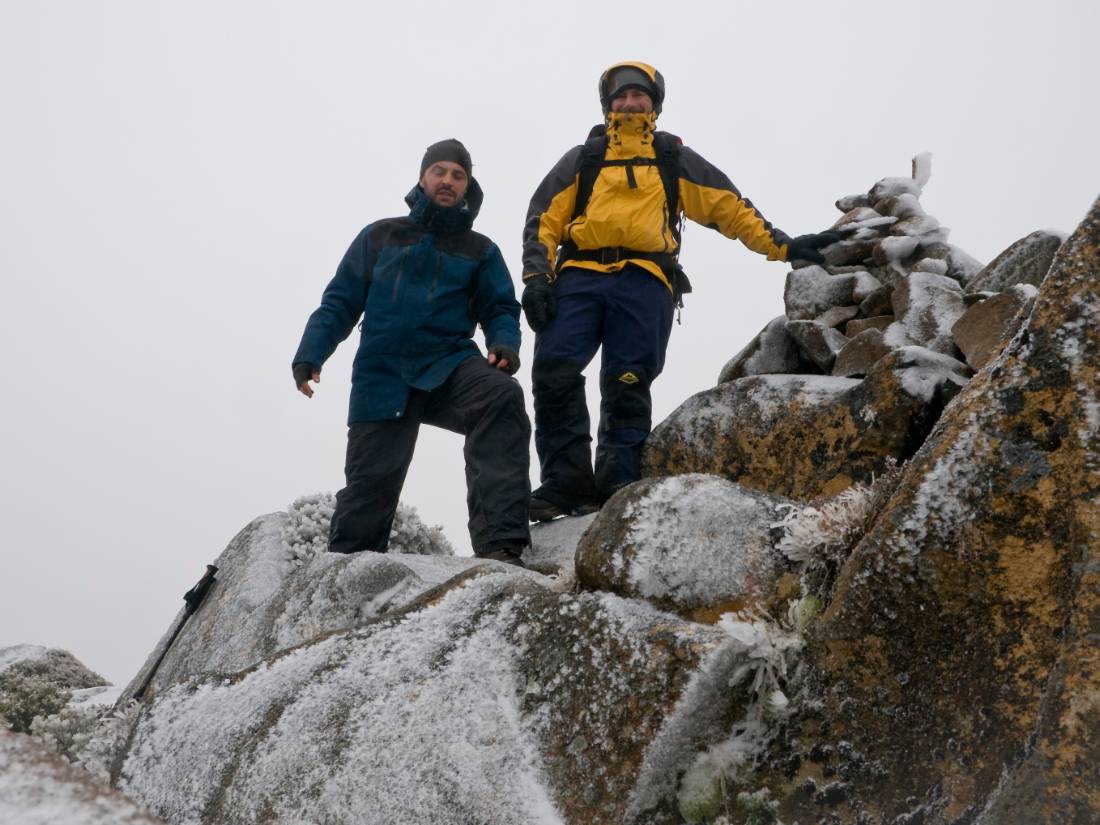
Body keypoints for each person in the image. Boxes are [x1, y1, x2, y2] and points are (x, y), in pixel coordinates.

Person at [521, 61, 843, 521]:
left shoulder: (671, 158)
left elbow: (729, 209)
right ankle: (565, 481)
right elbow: (542, 221)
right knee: (553, 370)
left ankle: (616, 483)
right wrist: (537, 277)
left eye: (639, 96)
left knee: (627, 380)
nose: (630, 104)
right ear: (607, 105)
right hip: (579, 277)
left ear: (655, 104)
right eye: (621, 97)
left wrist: (784, 246)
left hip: (646, 280)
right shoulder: (583, 159)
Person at [293, 139, 530, 565]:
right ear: (422, 178)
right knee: (370, 488)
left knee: (500, 396)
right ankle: (347, 576)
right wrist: (311, 354)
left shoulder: (481, 250)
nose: (448, 180)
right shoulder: (381, 235)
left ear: (467, 185)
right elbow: (340, 301)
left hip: (450, 365)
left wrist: (504, 344)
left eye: (458, 175)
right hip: (381, 376)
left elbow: (500, 308)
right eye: (439, 171)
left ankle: (501, 547)